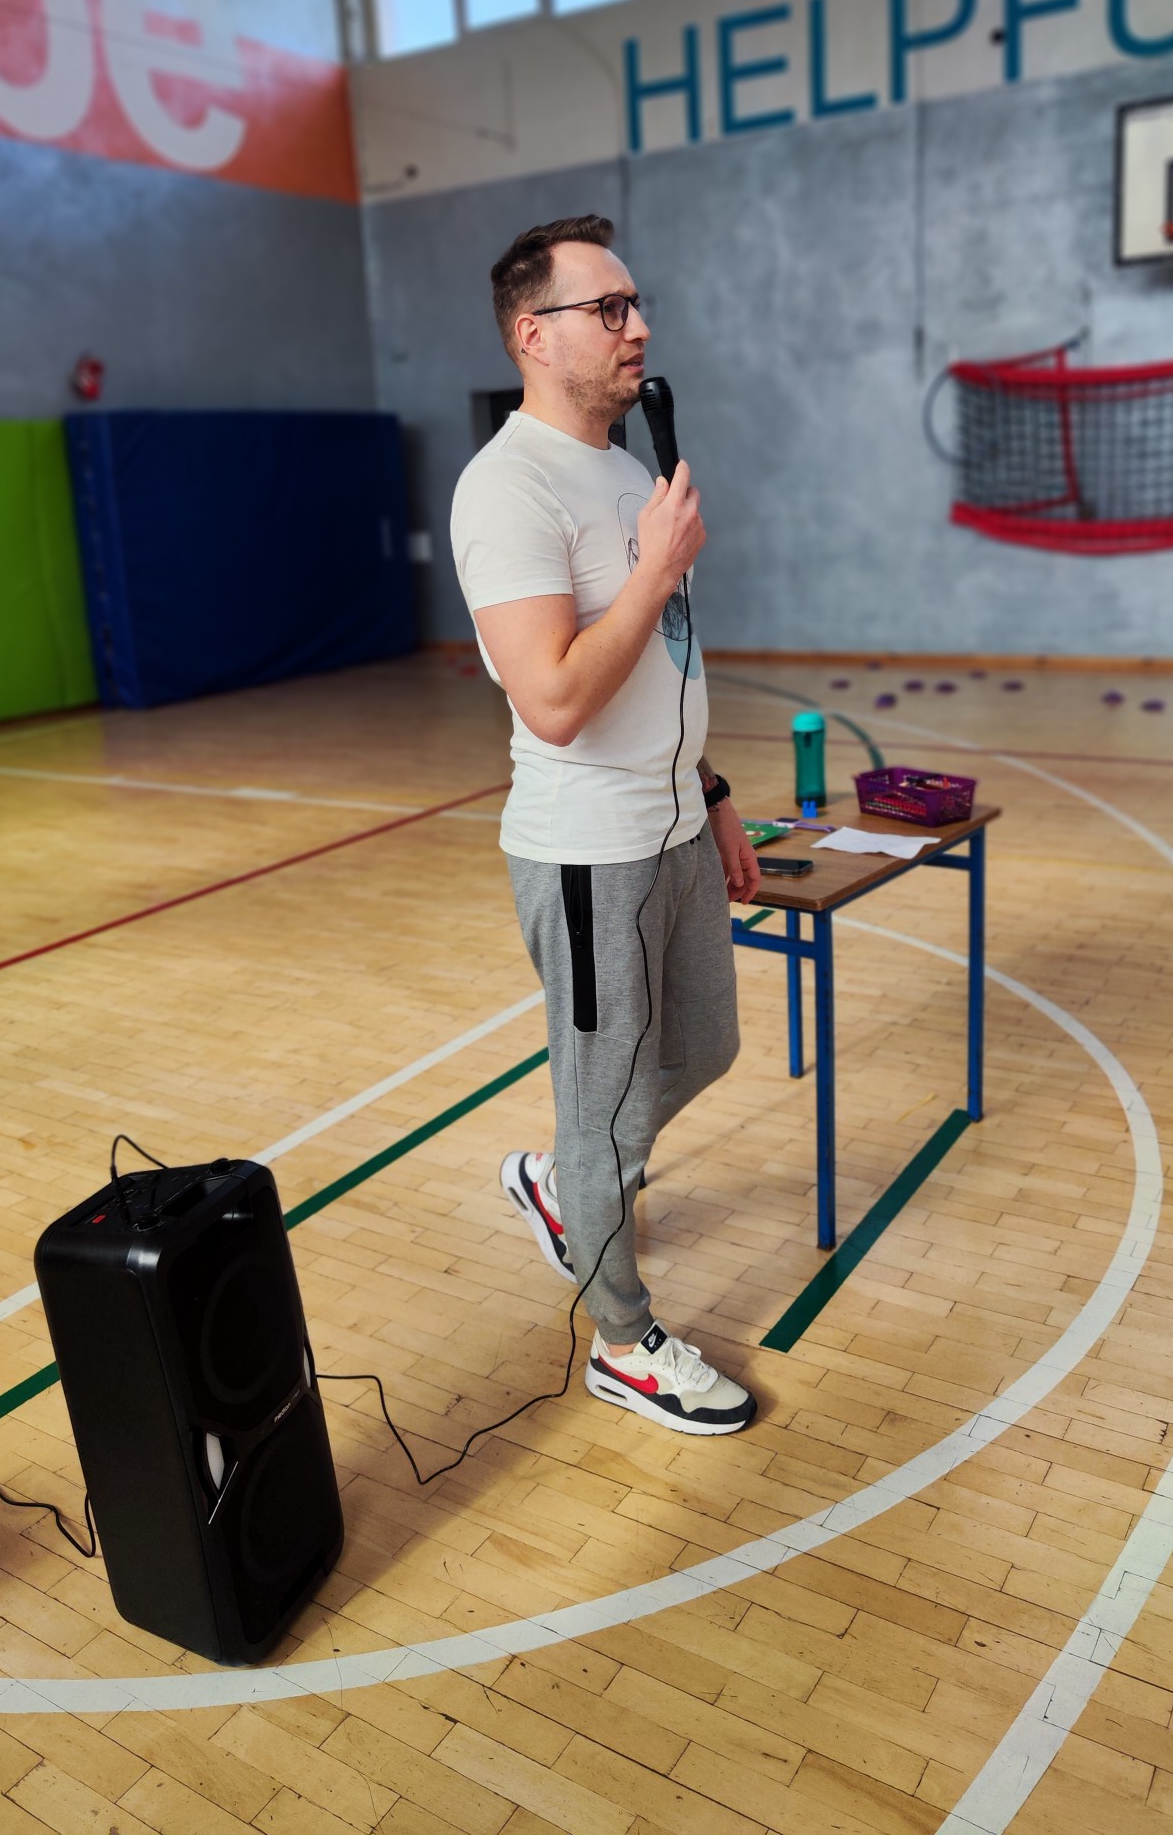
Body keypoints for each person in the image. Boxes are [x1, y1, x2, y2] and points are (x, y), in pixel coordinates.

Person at [450, 214, 764, 1437]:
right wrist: (655, 567)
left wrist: (714, 791)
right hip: (590, 849)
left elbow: (661, 663)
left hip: (675, 822)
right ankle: (624, 1342)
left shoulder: (626, 470)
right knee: (602, 1100)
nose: (639, 327)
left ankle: (563, 1180)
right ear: (534, 335)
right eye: (609, 308)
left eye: (636, 304)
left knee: (705, 1045)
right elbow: (557, 698)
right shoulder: (506, 488)